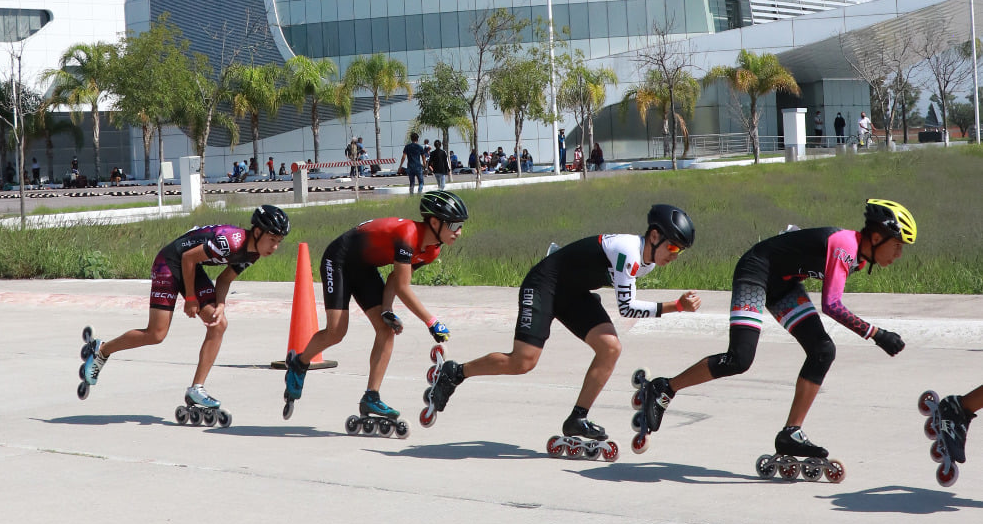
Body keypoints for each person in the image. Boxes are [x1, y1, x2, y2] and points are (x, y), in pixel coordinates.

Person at [634, 199, 915, 463]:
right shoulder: (845, 247)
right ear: (876, 238)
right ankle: (664, 388)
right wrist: (877, 334)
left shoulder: (858, 258)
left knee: (822, 350)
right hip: (755, 272)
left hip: (783, 284)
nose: (899, 254)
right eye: (897, 245)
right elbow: (831, 305)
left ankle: (791, 433)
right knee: (739, 359)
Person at [425, 205, 698, 446]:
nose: (675, 255)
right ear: (654, 236)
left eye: (680, 251)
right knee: (523, 362)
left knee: (610, 348)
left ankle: (577, 418)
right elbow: (627, 308)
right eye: (673, 247)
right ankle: (455, 373)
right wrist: (677, 306)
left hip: (572, 293)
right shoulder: (628, 252)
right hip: (544, 285)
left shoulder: (646, 263)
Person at [80, 206, 291, 415]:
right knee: (156, 334)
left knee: (218, 324)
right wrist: (190, 298)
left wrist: (221, 304)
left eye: (279, 242)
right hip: (170, 262)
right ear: (257, 232)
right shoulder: (231, 241)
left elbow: (225, 279)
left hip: (190, 267)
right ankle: (102, 350)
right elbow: (188, 258)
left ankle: (196, 389)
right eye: (272, 239)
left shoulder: (253, 254)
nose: (274, 247)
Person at [283, 190, 468, 424]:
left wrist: (387, 309)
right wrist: (431, 322)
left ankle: (371, 396)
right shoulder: (408, 234)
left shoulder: (432, 251)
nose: (459, 232)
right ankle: (299, 363)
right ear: (434, 222)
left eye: (461, 226)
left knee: (386, 329)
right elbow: (403, 288)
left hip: (364, 268)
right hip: (339, 260)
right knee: (336, 332)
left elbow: (396, 279)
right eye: (454, 225)